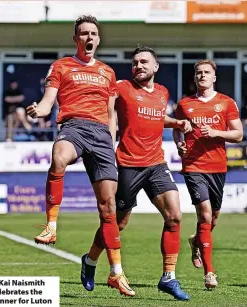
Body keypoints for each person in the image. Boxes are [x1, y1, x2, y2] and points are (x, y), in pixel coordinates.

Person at [26, 15, 135, 297]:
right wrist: (40, 110)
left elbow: (111, 114)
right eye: (84, 33)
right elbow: (49, 101)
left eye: (93, 33)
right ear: (76, 38)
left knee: (109, 208)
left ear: (98, 39)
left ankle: (114, 272)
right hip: (74, 126)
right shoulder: (61, 66)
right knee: (59, 157)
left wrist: (111, 142)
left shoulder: (108, 72)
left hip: (101, 135)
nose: (89, 37)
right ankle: (51, 226)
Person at [80, 45, 191, 301]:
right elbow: (101, 102)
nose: (138, 66)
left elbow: (155, 117)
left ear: (155, 67)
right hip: (128, 164)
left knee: (174, 216)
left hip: (156, 164)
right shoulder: (122, 87)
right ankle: (90, 260)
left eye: (143, 62)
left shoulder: (163, 92)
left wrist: (176, 122)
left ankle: (168, 278)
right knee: (117, 223)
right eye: (135, 62)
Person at [173, 59, 243, 289]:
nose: (202, 76)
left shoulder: (226, 102)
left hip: (218, 167)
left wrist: (214, 132)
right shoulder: (184, 104)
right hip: (194, 166)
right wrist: (180, 145)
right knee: (204, 215)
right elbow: (177, 130)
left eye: (206, 72)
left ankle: (196, 240)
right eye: (199, 73)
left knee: (212, 219)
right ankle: (209, 273)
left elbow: (238, 134)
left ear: (214, 77)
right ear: (195, 78)